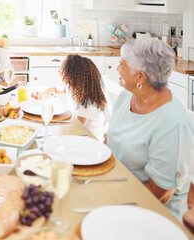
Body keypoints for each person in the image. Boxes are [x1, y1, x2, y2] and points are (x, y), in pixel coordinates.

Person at [107, 38, 194, 221]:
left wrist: (108, 196)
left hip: (150, 213)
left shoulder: (172, 124)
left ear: (140, 77)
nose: (117, 69)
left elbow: (160, 194)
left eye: (122, 65)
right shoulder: (127, 96)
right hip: (114, 186)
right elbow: (112, 142)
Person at [31, 54, 110, 142]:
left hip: (88, 143)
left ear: (73, 76)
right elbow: (55, 89)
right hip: (77, 134)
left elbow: (75, 131)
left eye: (62, 69)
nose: (59, 71)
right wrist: (41, 95)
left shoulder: (86, 105)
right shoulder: (74, 88)